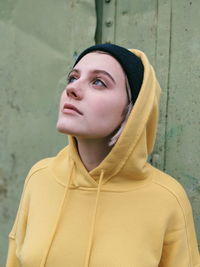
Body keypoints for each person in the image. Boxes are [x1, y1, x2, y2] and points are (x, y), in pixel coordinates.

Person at [6, 43, 200, 267]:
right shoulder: (40, 177)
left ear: (133, 110)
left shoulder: (167, 198)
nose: (73, 89)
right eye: (72, 78)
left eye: (98, 82)